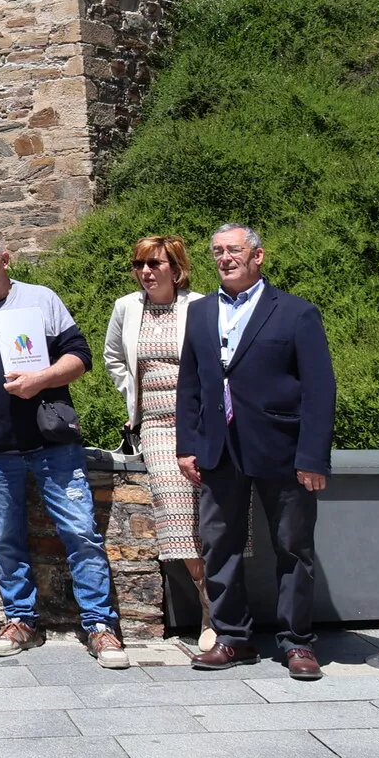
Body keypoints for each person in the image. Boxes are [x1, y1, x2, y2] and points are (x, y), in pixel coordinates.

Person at [0, 232, 127, 667]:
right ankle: (21, 620)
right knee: (5, 538)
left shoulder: (41, 299)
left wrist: (40, 380)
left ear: (6, 259)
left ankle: (100, 626)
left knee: (80, 532)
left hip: (51, 445)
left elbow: (80, 357)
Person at [179, 225, 336, 680]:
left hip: (282, 449)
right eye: (217, 251)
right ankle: (233, 639)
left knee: (292, 547)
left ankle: (297, 643)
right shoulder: (201, 311)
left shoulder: (296, 313)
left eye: (234, 250)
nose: (225, 258)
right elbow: (192, 383)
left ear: (258, 256)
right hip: (218, 448)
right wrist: (188, 446)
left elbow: (319, 389)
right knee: (219, 545)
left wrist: (312, 457)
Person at [104, 235, 211, 647]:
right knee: (178, 509)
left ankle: (227, 605)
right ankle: (208, 609)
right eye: (139, 264)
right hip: (157, 426)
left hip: (201, 422)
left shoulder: (200, 306)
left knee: (216, 513)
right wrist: (131, 390)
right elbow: (113, 355)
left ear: (176, 267)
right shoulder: (127, 308)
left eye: (155, 264)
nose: (146, 272)